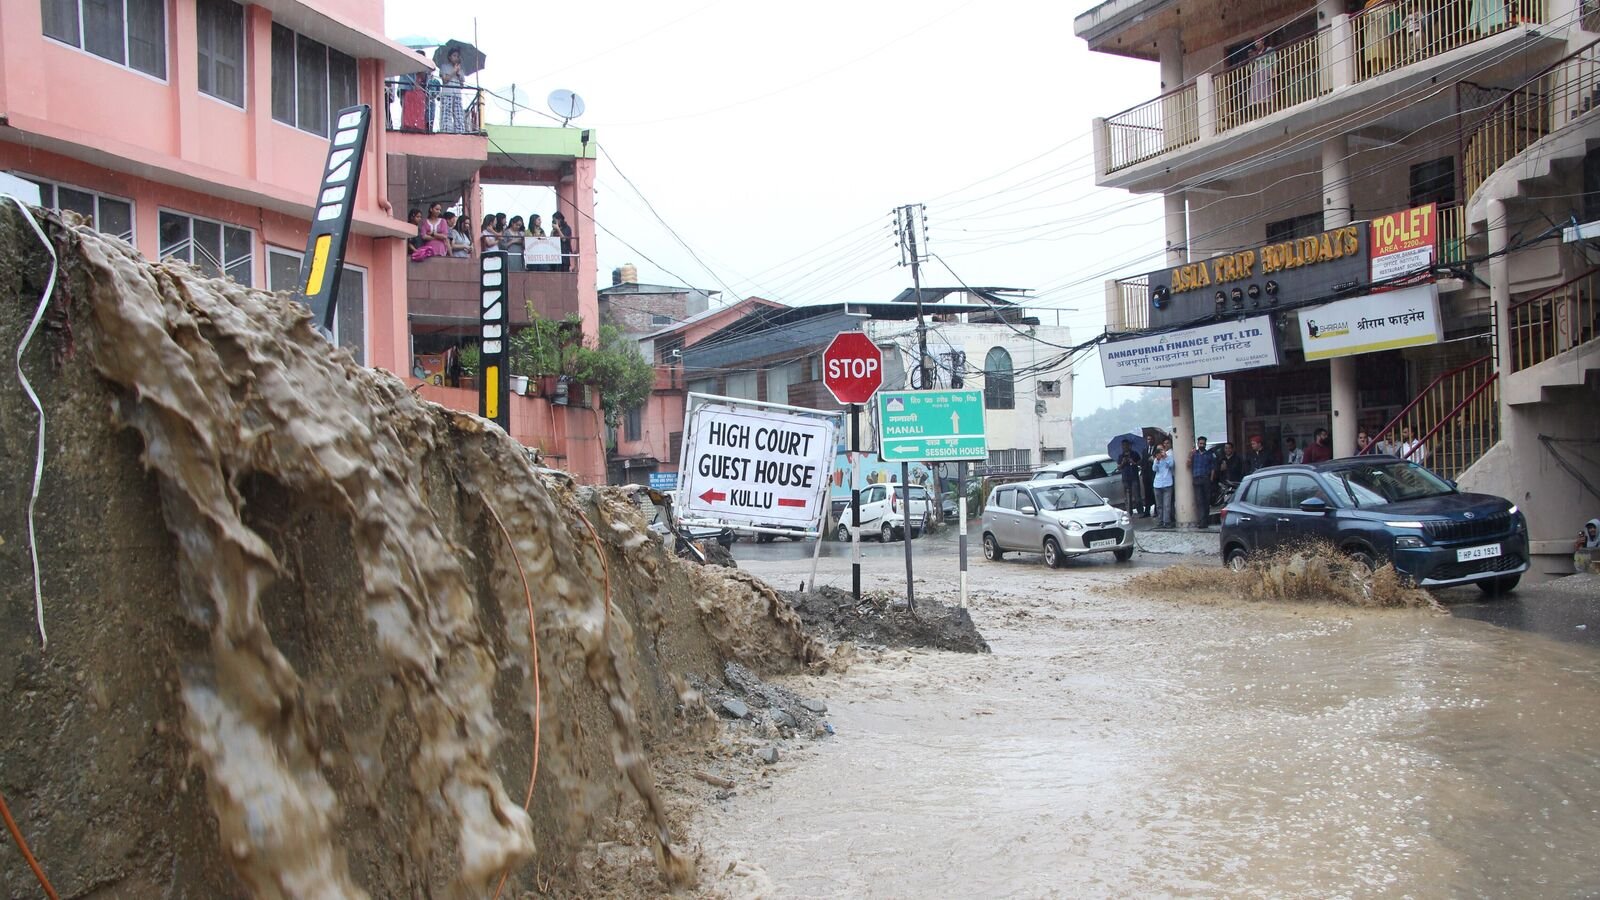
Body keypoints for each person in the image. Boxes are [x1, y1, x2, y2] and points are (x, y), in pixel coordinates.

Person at [437, 47, 466, 134]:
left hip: (457, 94)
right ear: (450, 57)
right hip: (447, 93)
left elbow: (462, 86)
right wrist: (453, 71)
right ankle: (446, 131)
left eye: (457, 56)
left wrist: (458, 73)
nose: (456, 58)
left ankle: (459, 132)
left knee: (459, 115)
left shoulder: (460, 69)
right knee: (446, 114)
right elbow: (445, 80)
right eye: (454, 56)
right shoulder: (444, 67)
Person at [1117, 440, 1143, 516]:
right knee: (1127, 496)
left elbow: (1140, 463)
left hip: (1134, 476)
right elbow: (1118, 467)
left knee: (1137, 495)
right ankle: (1129, 512)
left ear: (1129, 445)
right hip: (1125, 477)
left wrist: (1133, 462)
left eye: (1126, 445)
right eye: (1123, 445)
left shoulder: (1134, 454)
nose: (1124, 447)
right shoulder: (1120, 456)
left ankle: (1140, 511)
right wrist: (1123, 462)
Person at [1152, 446, 1175, 528]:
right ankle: (1160, 520)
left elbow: (1171, 464)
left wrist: (1165, 457)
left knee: (1167, 504)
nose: (1161, 452)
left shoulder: (1169, 458)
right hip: (1157, 484)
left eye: (1162, 450)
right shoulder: (1156, 460)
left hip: (1167, 483)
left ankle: (1167, 521)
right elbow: (1154, 469)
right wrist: (1157, 460)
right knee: (1159, 505)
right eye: (1159, 451)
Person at [1190, 436, 1216, 509]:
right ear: (1198, 444)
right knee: (1199, 500)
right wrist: (1190, 455)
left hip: (1206, 478)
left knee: (1207, 500)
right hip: (1197, 478)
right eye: (1200, 443)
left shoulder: (1209, 454)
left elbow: (1213, 467)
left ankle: (1206, 518)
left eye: (1203, 444)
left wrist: (1211, 479)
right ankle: (1202, 519)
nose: (1202, 445)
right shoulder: (1194, 454)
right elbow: (1188, 465)